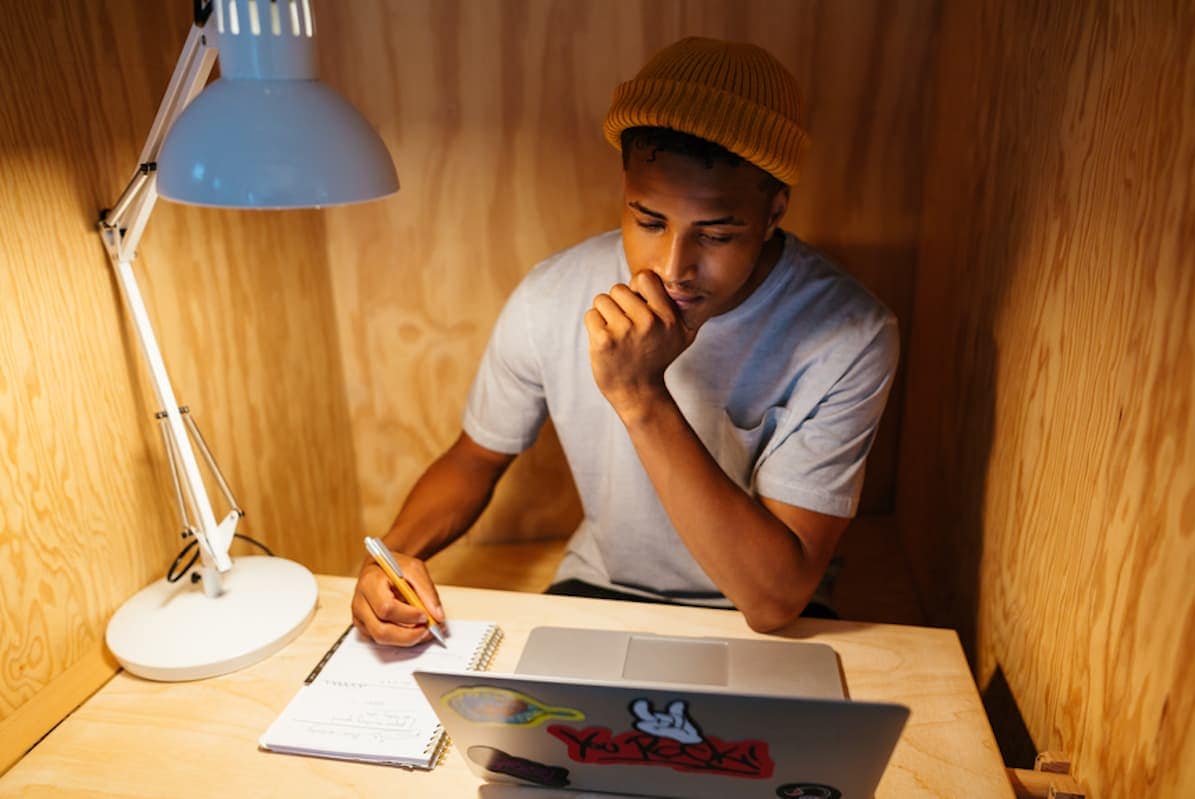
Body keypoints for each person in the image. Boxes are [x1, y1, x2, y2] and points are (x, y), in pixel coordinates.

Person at [351, 37, 899, 646]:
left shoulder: (851, 333)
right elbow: (475, 458)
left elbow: (774, 600)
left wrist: (641, 396)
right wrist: (392, 557)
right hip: (601, 587)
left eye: (716, 235)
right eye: (649, 221)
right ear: (625, 188)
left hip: (769, 615)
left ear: (774, 213)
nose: (673, 267)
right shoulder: (552, 294)